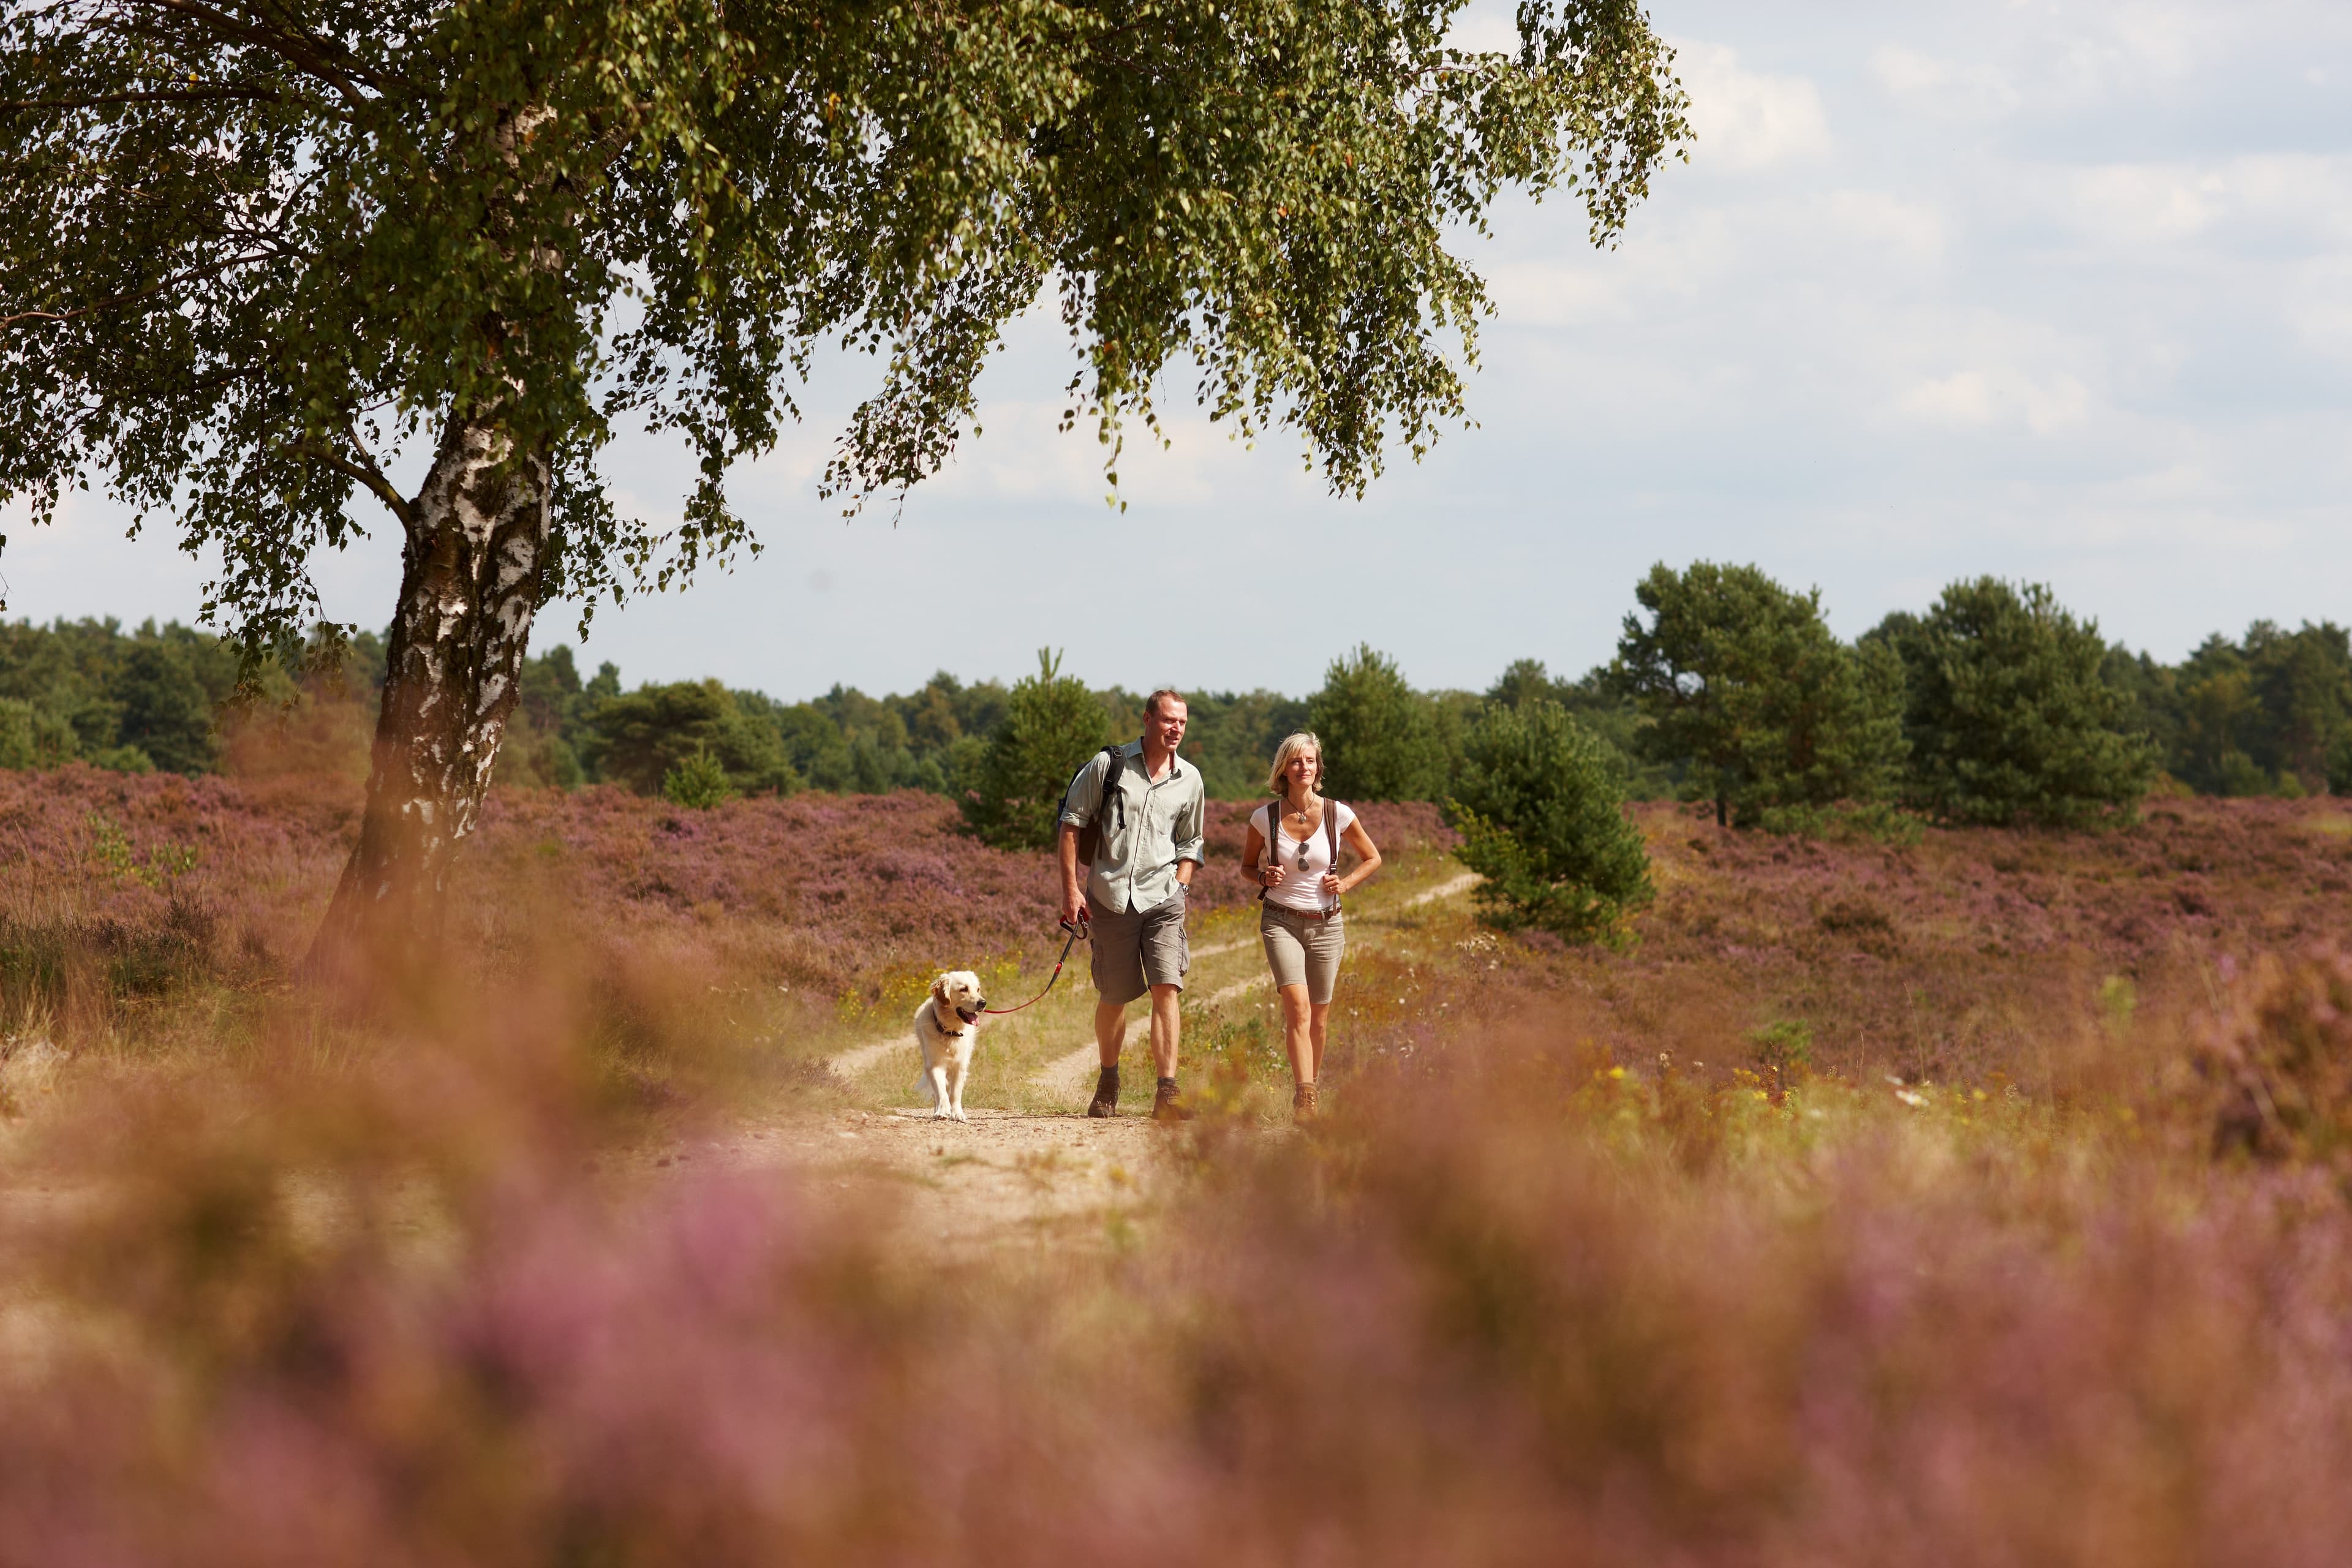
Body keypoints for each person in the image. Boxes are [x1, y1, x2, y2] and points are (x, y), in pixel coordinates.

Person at [1058, 689, 1207, 1121]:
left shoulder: (1190, 779)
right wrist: (1071, 892)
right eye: (1167, 720)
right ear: (1147, 719)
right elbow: (1070, 824)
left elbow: (1192, 841)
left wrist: (1181, 886)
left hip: (1163, 899)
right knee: (1114, 996)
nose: (1175, 728)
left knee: (1167, 987)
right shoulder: (1109, 766)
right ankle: (1109, 1080)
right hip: (1110, 898)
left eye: (1181, 721)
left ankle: (1168, 1092)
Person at [1239, 731, 1382, 1124]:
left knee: (1319, 1017)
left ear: (1318, 768)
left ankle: (1312, 1085)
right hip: (1281, 921)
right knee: (1298, 1009)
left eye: (1311, 761)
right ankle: (1305, 1098)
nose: (1305, 768)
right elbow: (1247, 868)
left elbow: (1373, 858)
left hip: (1327, 925)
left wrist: (1346, 883)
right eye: (1297, 761)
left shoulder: (1339, 814)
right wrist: (1263, 876)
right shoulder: (1263, 817)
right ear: (1284, 769)